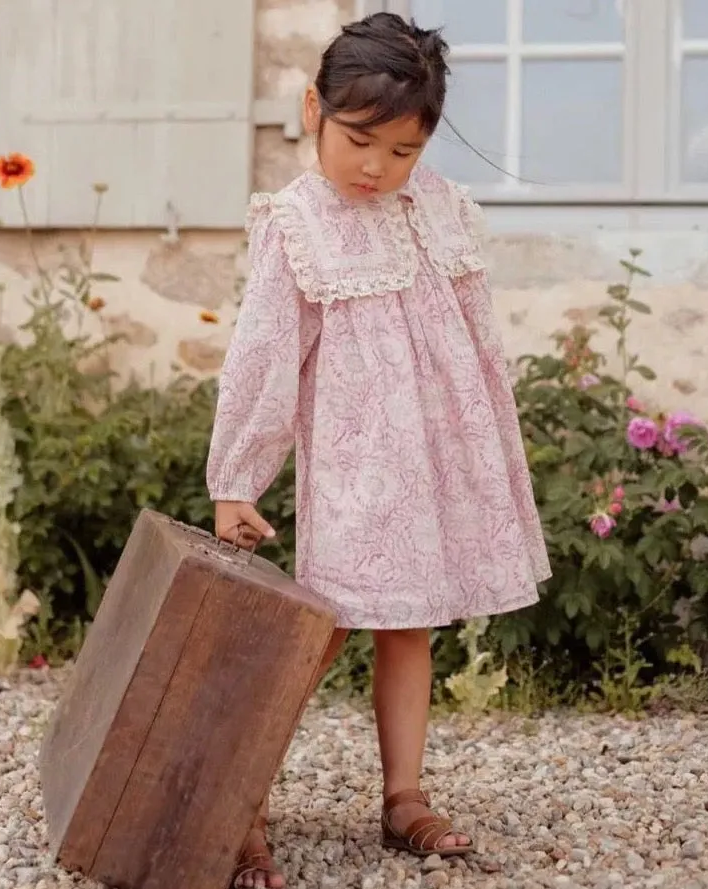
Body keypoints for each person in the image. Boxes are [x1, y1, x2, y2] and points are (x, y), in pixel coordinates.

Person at [206, 12, 551, 888]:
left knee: (410, 624)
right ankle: (236, 800)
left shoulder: (439, 208)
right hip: (360, 468)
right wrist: (238, 476)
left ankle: (404, 797)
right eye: (360, 141)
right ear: (312, 108)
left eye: (402, 151)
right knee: (317, 632)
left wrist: (483, 446)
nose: (377, 168)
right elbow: (263, 357)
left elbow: (471, 338)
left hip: (434, 459)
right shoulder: (295, 224)